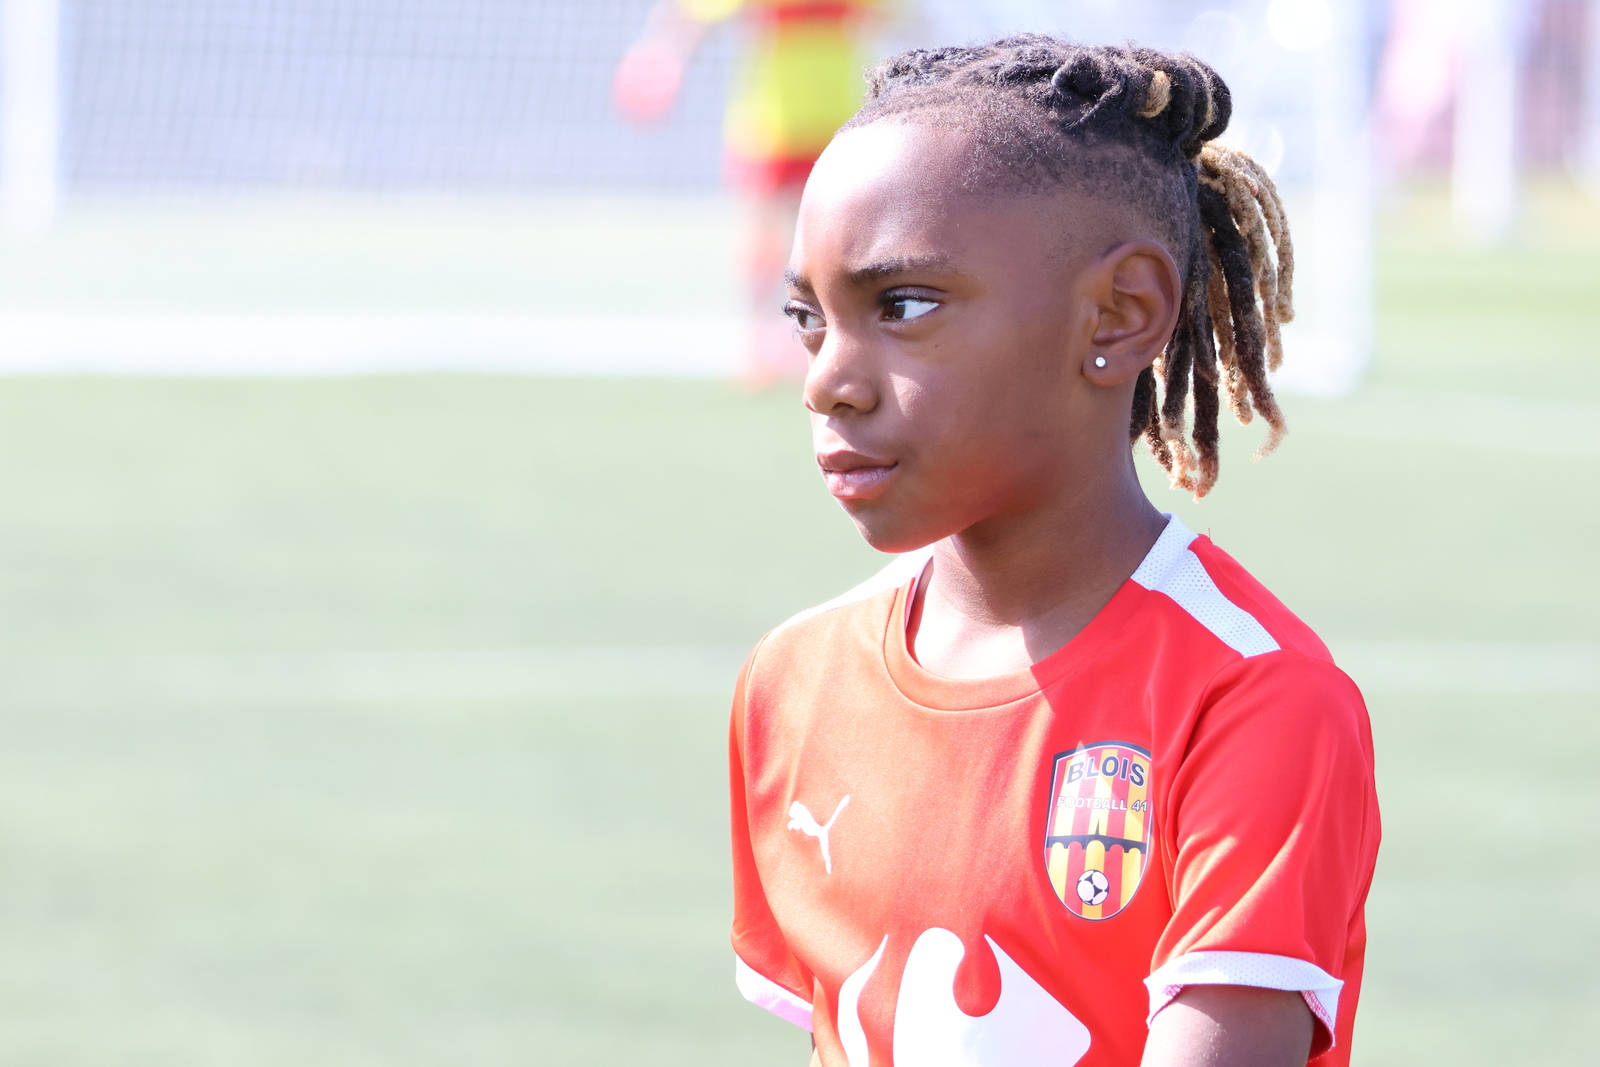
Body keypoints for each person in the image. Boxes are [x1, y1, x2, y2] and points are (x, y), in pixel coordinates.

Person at [727, 36, 1380, 1067]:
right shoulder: (792, 682)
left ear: (1119, 314)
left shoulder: (1252, 698)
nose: (827, 381)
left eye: (902, 306)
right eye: (809, 318)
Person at [613, 0, 887, 384]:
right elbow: (693, 15)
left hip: (837, 122)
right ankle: (757, 337)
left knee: (834, 238)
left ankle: (832, 337)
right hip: (769, 126)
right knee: (762, 232)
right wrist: (661, 57)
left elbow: (909, 22)